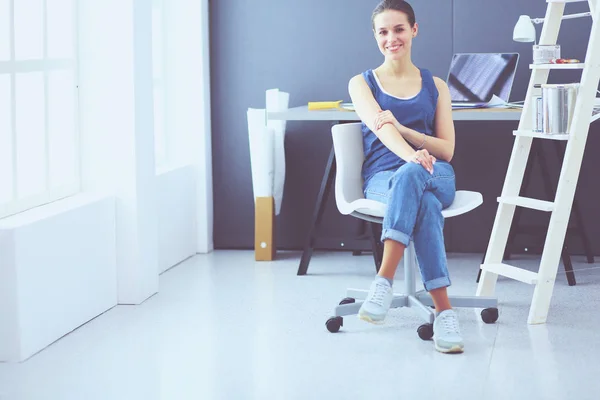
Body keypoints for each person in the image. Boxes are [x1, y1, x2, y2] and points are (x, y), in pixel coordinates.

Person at [348, 0, 463, 354]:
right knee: (422, 200)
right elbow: (380, 131)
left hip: (436, 173)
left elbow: (446, 150)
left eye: (399, 29)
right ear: (375, 36)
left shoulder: (437, 85)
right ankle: (444, 312)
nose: (391, 38)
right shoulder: (361, 83)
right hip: (384, 178)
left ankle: (383, 280)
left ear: (414, 30)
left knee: (417, 179)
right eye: (383, 32)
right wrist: (411, 156)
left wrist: (405, 130)